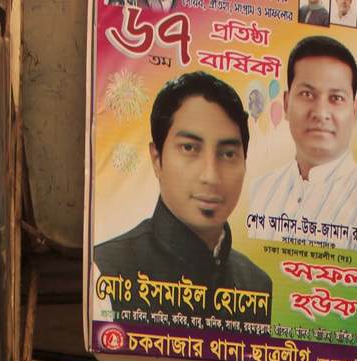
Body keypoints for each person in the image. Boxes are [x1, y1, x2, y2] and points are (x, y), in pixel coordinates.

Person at [92, 71, 271, 313]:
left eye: (228, 153)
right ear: (157, 159)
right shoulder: (106, 269)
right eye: (189, 148)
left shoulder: (256, 286)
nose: (210, 176)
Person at [243, 36, 357, 253]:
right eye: (307, 94)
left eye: (336, 98)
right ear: (287, 104)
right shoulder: (260, 191)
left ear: (354, 111)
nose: (320, 113)